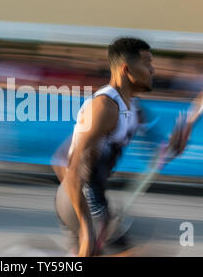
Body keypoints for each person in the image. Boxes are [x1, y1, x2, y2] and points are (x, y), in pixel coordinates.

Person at [52, 37, 192, 257]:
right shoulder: (104, 108)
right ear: (126, 69)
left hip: (97, 201)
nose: (153, 70)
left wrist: (175, 146)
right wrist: (88, 229)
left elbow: (157, 156)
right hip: (79, 202)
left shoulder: (135, 109)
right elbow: (69, 169)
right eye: (147, 63)